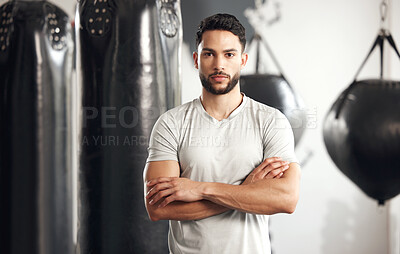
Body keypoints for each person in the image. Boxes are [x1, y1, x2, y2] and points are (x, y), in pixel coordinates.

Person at [143, 13, 301, 254]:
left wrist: (200, 189)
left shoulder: (272, 122)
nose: (219, 64)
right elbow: (158, 208)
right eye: (209, 54)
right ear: (196, 59)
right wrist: (246, 190)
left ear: (243, 60)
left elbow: (286, 199)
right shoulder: (171, 124)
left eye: (229, 54)